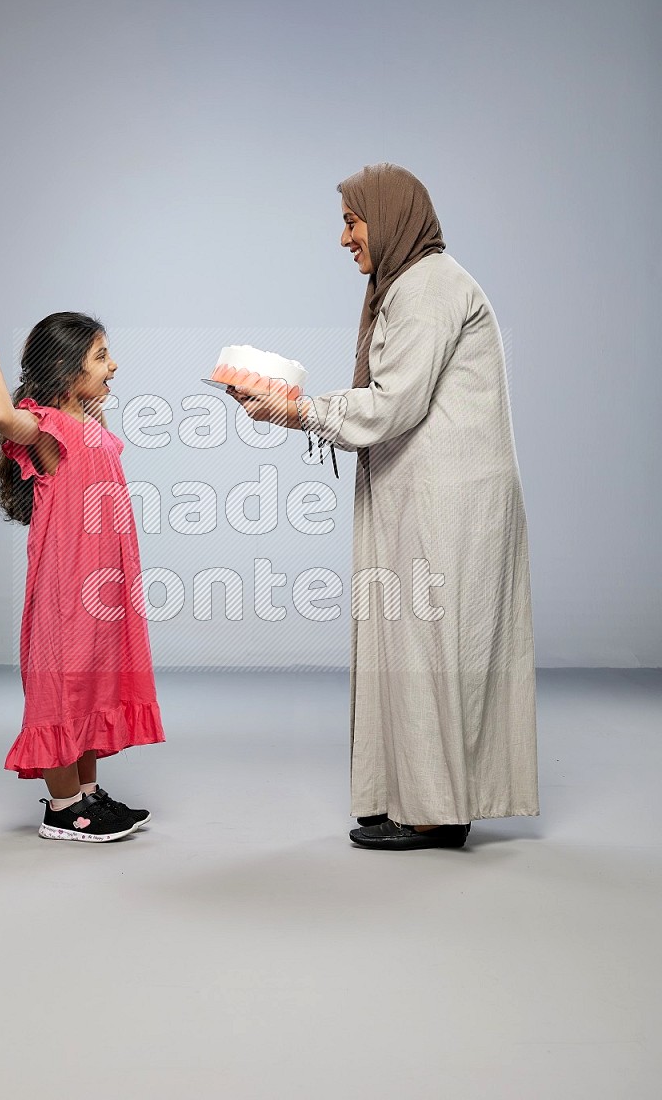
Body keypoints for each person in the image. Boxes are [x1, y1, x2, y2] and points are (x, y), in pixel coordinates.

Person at [230, 163, 539, 851]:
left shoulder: (427, 286)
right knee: (413, 646)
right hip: (424, 493)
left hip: (449, 501)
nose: (344, 238)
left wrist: (296, 410)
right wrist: (295, 410)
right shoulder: (406, 285)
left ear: (390, 216)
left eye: (351, 220)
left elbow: (395, 402)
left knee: (430, 647)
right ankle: (419, 796)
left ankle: (435, 810)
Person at [0, 312, 165, 842]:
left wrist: (92, 401)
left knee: (93, 679)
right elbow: (1, 416)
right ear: (67, 368)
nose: (114, 365)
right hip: (68, 583)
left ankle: (89, 794)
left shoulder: (88, 421)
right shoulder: (47, 426)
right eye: (100, 356)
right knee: (64, 682)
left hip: (104, 584)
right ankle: (63, 808)